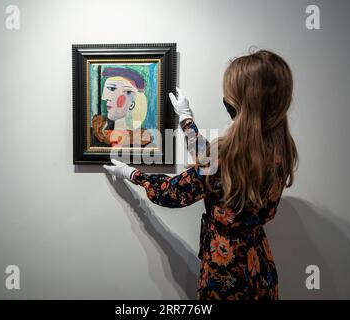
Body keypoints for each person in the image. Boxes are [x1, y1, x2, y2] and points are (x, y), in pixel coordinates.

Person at [104, 50, 298, 300]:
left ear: (242, 101)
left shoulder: (226, 157)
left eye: (229, 92)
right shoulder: (280, 146)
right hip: (260, 268)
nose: (225, 97)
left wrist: (132, 174)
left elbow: (172, 193)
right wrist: (186, 121)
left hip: (227, 275)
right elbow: (215, 169)